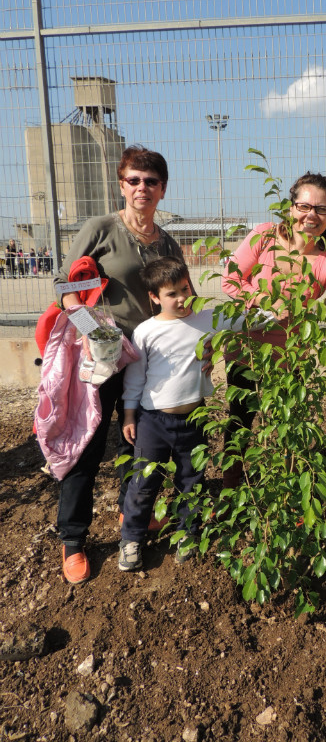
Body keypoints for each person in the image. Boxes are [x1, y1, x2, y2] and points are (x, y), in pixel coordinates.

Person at [54, 145, 185, 585]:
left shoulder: (166, 242)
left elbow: (179, 298)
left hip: (147, 360)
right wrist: (95, 331)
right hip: (102, 355)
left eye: (150, 181)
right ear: (121, 184)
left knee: (137, 443)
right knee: (88, 445)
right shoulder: (102, 229)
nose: (141, 188)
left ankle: (132, 514)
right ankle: (74, 540)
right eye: (133, 180)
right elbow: (66, 288)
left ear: (162, 189)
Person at [221, 171, 326, 488]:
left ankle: (287, 486)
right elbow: (230, 279)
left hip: (291, 356)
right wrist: (262, 302)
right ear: (291, 207)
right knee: (240, 418)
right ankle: (231, 486)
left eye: (321, 209)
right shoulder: (264, 236)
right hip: (247, 351)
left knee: (290, 421)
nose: (311, 215)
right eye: (304, 206)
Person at [119, 257, 227, 571]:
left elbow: (243, 319)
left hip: (194, 417)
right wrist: (128, 416)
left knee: (191, 480)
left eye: (185, 289)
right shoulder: (146, 332)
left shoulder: (207, 319)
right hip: (153, 420)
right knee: (143, 483)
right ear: (154, 297)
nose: (181, 298)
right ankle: (132, 539)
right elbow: (136, 378)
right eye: (171, 294)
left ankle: (187, 533)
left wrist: (282, 312)